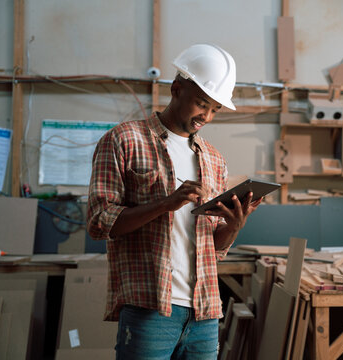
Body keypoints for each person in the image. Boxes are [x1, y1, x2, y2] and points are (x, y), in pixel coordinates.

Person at [87, 43, 262, 359]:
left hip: (204, 312)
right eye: (200, 104)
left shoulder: (214, 160)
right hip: (150, 309)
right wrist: (164, 204)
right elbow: (99, 221)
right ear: (176, 89)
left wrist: (235, 226)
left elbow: (214, 249)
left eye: (214, 110)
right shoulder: (124, 140)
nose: (205, 116)